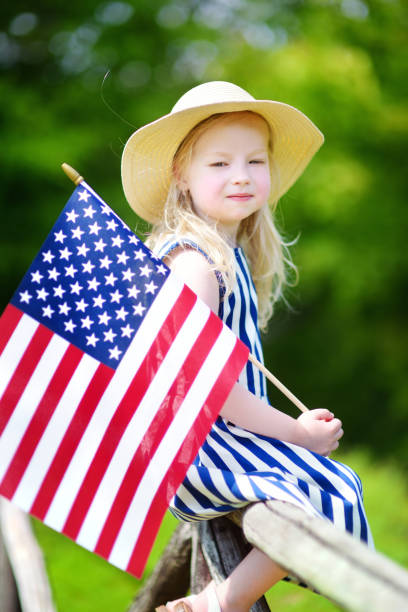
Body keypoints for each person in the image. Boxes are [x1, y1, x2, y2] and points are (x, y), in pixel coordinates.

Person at [121, 81, 373, 612]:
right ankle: (222, 601)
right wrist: (294, 433)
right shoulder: (195, 263)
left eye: (255, 160)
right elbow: (207, 383)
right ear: (181, 176)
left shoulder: (228, 252)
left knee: (328, 486)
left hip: (224, 432)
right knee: (332, 490)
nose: (241, 175)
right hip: (198, 444)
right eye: (219, 164)